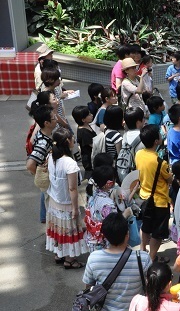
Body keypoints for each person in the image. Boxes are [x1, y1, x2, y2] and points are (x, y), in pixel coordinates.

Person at [45, 129, 88, 268]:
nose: (74, 140)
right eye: (72, 138)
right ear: (68, 141)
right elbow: (73, 188)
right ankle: (70, 260)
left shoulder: (50, 156)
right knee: (69, 230)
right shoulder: (69, 163)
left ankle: (59, 254)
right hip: (66, 203)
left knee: (58, 229)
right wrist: (76, 208)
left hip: (53, 200)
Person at [136, 124, 173, 262]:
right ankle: (151, 258)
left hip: (144, 198)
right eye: (159, 134)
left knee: (145, 227)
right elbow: (169, 180)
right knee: (157, 233)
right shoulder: (160, 162)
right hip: (159, 202)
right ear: (156, 141)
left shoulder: (139, 154)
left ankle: (142, 250)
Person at [84, 165, 133, 252]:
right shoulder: (107, 204)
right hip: (104, 244)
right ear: (109, 183)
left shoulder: (92, 194)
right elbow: (113, 226)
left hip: (92, 239)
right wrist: (125, 214)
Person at [26, 104, 57, 224]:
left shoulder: (43, 134)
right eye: (54, 118)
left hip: (47, 175)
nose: (56, 119)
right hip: (47, 177)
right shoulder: (43, 143)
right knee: (46, 197)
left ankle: (44, 218)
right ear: (47, 123)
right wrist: (38, 175)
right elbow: (30, 165)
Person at [72, 105, 95, 179]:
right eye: (88, 114)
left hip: (91, 157)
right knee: (91, 175)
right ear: (83, 120)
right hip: (89, 159)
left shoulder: (86, 126)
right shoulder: (84, 132)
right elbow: (93, 145)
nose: (91, 115)